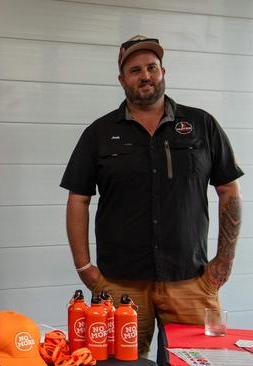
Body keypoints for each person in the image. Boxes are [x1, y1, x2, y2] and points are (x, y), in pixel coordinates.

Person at [60, 35, 243, 355]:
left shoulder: (201, 125)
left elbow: (229, 190)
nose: (145, 75)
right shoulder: (99, 133)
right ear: (122, 79)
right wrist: (84, 266)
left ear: (163, 71)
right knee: (119, 363)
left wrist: (225, 260)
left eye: (151, 67)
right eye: (135, 70)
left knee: (199, 361)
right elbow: (78, 199)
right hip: (119, 284)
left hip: (191, 281)